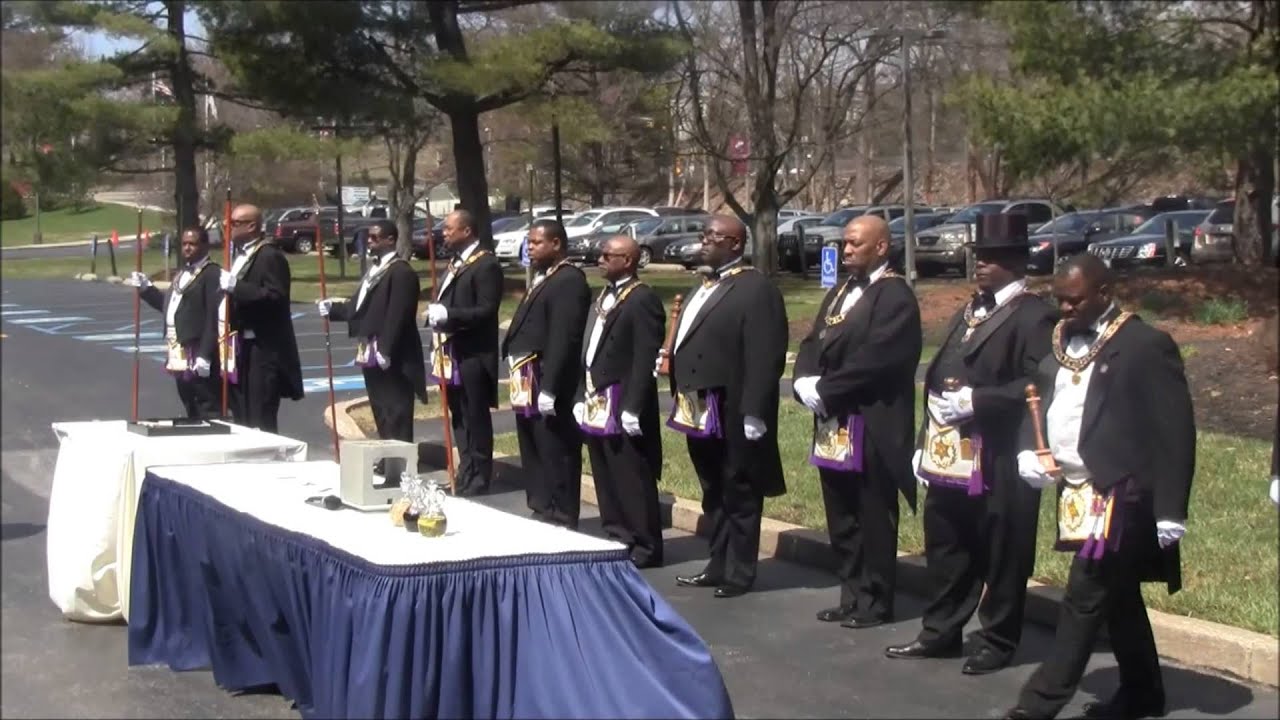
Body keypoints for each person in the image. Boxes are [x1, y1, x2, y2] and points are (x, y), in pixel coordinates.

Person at [1004, 254, 1194, 720]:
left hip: (1122, 490)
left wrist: (1171, 508)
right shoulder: (1058, 341)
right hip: (1075, 490)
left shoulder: (1146, 345)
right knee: (1120, 596)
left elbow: (1175, 430)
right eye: (1060, 300)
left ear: (1104, 294)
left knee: (1085, 594)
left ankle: (1038, 704)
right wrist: (1030, 448)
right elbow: (1041, 397)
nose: (1065, 308)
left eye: (1074, 300)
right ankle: (1144, 693)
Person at [885, 213, 1055, 675]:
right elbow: (941, 373)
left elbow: (1040, 383)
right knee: (947, 542)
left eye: (993, 258)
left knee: (1002, 547)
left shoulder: (1034, 315)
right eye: (979, 256)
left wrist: (977, 401)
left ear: (1017, 262)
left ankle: (998, 640)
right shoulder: (972, 308)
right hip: (953, 451)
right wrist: (926, 439)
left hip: (1000, 450)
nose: (981, 265)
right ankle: (940, 630)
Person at [791, 215, 922, 628]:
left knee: (872, 514)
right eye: (844, 244)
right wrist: (803, 382)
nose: (846, 251)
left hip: (872, 422)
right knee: (841, 513)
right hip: (834, 425)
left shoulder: (896, 297)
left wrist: (828, 388)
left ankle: (877, 599)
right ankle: (850, 592)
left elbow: (878, 360)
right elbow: (813, 342)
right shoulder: (841, 291)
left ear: (881, 247)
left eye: (854, 244)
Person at [659, 214, 788, 598]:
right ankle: (717, 562)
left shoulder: (755, 289)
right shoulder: (701, 286)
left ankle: (740, 570)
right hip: (700, 404)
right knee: (712, 487)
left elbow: (766, 353)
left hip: (734, 404)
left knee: (739, 488)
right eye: (704, 236)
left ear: (735, 244)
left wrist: (755, 410)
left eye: (713, 237)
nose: (704, 242)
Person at [574, 235, 666, 568]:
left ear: (628, 260)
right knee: (605, 469)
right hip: (596, 395)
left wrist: (634, 406)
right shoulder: (604, 295)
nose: (599, 259)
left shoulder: (642, 299)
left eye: (607, 255)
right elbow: (588, 349)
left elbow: (644, 356)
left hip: (623, 398)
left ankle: (644, 543)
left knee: (630, 473)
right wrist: (578, 394)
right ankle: (616, 532)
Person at [501, 218, 591, 528]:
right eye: (529, 242)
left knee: (556, 446)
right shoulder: (544, 277)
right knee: (532, 442)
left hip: (548, 376)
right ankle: (541, 503)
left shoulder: (568, 280)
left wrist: (550, 387)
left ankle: (562, 511)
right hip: (526, 374)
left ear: (556, 244)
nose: (530, 248)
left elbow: (563, 336)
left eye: (537, 242)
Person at [317, 220, 427, 444]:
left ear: (390, 240)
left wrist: (386, 348)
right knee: (380, 409)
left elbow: (399, 314)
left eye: (375, 238)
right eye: (368, 237)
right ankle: (387, 458)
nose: (369, 241)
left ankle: (400, 465)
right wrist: (333, 310)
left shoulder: (401, 272)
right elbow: (359, 306)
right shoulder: (374, 270)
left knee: (397, 410)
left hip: (393, 354)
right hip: (369, 349)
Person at [424, 209, 504, 496]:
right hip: (451, 351)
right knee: (459, 415)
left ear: (466, 231)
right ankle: (465, 470)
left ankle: (480, 475)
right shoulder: (456, 264)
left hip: (473, 353)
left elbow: (485, 310)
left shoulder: (485, 265)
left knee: (475, 415)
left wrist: (449, 314)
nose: (444, 233)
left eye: (449, 229)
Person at [219, 203, 304, 433]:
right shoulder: (240, 255)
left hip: (262, 349)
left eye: (234, 223)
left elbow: (276, 296)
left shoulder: (269, 256)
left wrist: (238, 287)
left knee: (260, 414)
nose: (228, 227)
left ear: (251, 226)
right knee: (241, 412)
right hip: (239, 346)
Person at [124, 226, 222, 419]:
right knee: (188, 398)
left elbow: (214, 316)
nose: (187, 248)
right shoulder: (182, 273)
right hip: (177, 346)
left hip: (196, 346)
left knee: (206, 400)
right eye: (184, 244)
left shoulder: (211, 274)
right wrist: (147, 289)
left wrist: (205, 354)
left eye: (192, 244)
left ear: (204, 246)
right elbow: (169, 307)